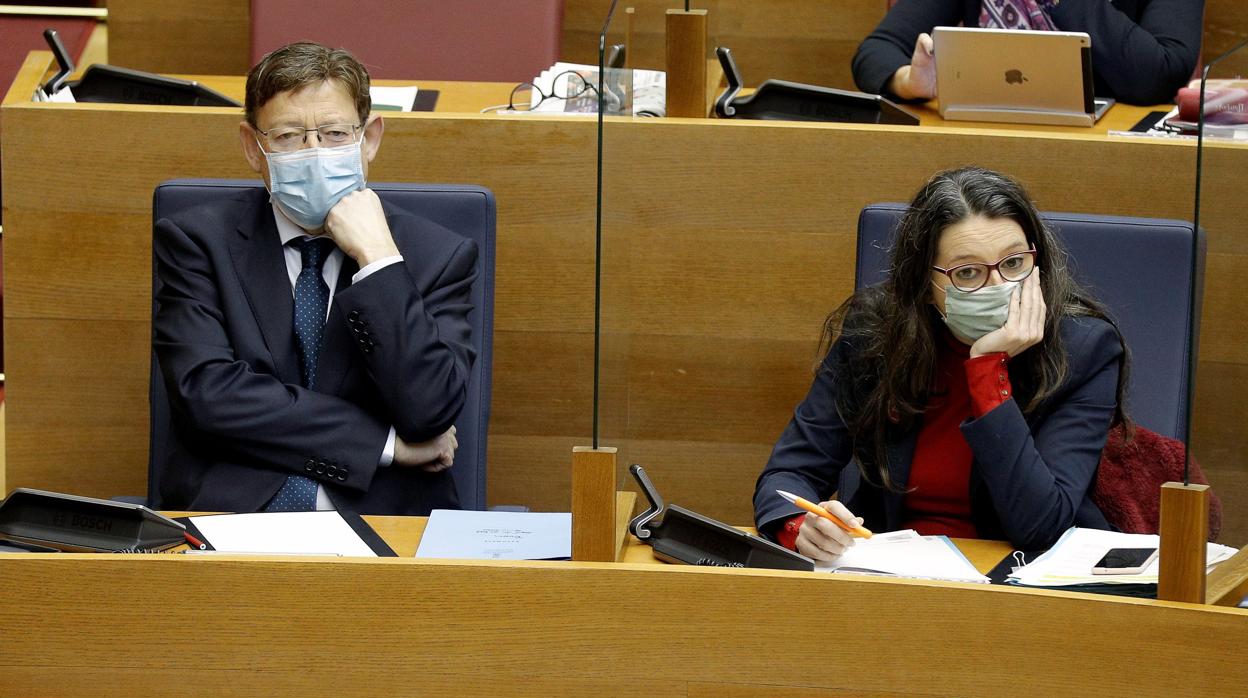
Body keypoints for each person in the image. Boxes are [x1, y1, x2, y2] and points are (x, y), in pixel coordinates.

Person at [153, 42, 477, 514]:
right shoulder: (198, 241)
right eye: (287, 137)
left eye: (333, 133)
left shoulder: (437, 254)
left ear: (369, 139)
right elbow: (207, 396)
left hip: (385, 518)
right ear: (252, 147)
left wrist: (379, 259)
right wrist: (382, 443)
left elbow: (430, 411)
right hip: (230, 513)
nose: (314, 154)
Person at [753, 166, 1131, 560]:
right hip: (888, 576)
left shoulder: (1084, 350)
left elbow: (1040, 526)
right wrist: (798, 525)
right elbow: (788, 474)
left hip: (1020, 583)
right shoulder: (877, 336)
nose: (999, 286)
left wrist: (987, 370)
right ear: (924, 285)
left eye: (1014, 263)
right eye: (967, 272)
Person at [852, 0, 1204, 106]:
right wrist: (910, 82)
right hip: (981, 150)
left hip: (1106, 160)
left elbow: (1160, 73)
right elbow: (876, 51)